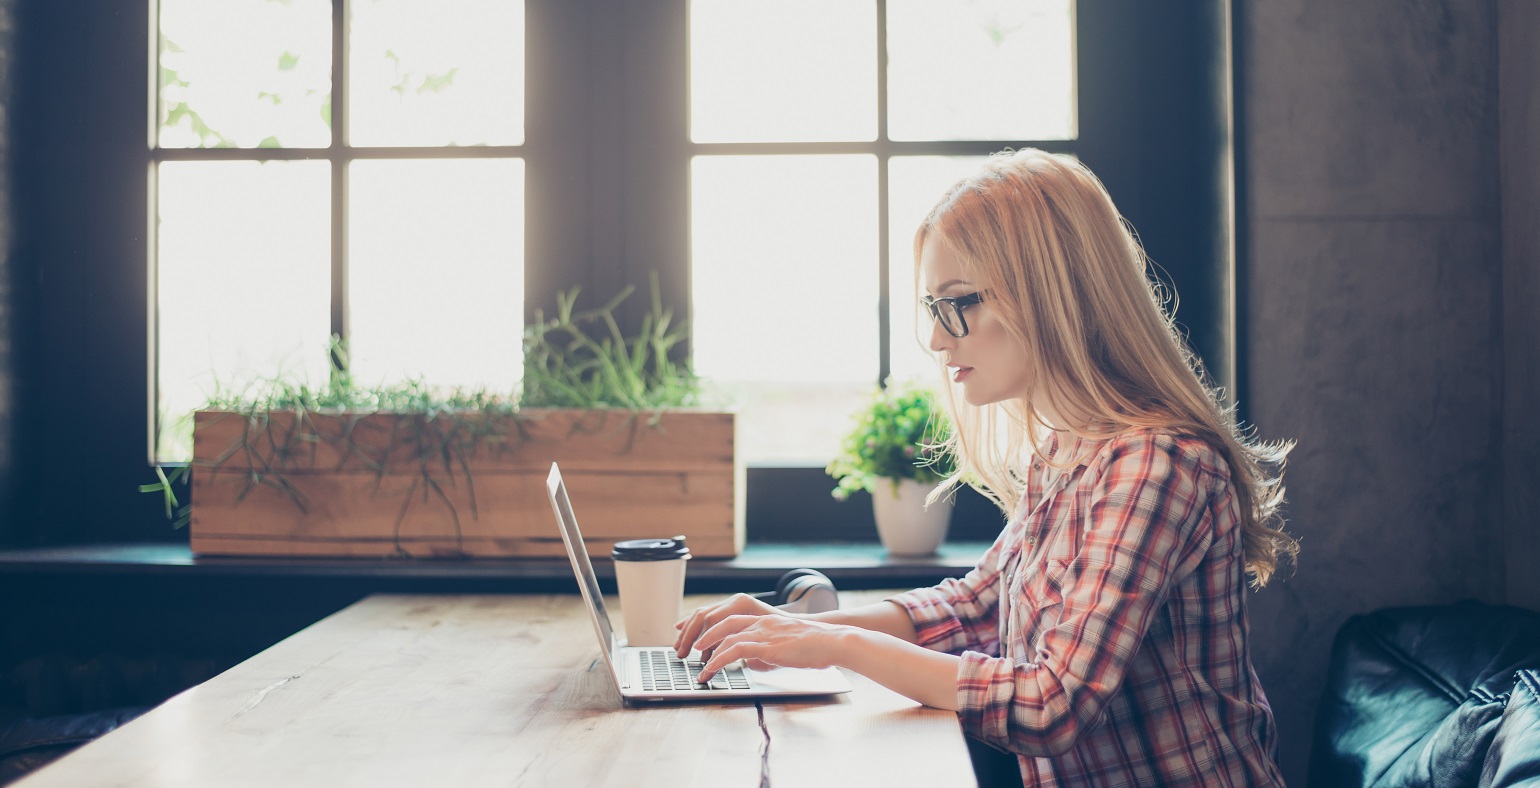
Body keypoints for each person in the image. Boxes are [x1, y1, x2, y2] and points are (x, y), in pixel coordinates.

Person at [673, 148, 1299, 786]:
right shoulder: (1064, 448)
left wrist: (835, 646)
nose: (940, 339)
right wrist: (792, 627)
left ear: (1044, 295)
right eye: (932, 310)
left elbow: (1049, 705)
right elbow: (975, 606)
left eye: (957, 304)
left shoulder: (1157, 465)